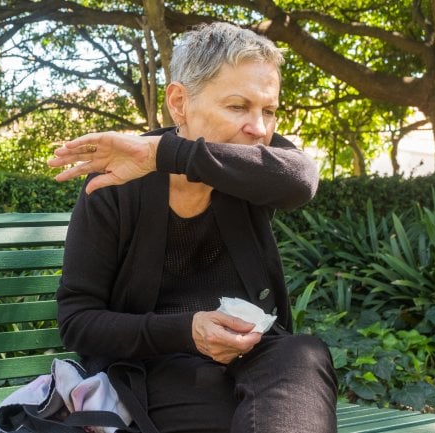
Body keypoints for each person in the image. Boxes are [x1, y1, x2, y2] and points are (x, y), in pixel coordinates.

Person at [47, 22, 337, 433]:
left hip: (258, 360)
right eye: (238, 106)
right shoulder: (115, 189)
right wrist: (187, 330)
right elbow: (78, 321)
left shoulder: (248, 167)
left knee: (304, 353)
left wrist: (171, 153)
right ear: (179, 102)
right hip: (155, 368)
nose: (259, 127)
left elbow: (302, 180)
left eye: (269, 110)